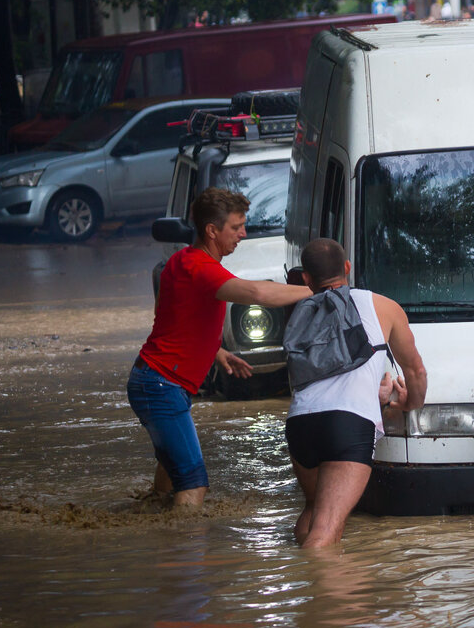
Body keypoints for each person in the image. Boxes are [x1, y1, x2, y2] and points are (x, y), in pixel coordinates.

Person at [127, 188, 313, 508]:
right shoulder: (200, 267)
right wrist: (315, 290)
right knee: (194, 483)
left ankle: (154, 529)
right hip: (161, 385)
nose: (243, 234)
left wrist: (217, 351)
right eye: (236, 227)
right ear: (212, 230)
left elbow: (176, 321)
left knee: (171, 470)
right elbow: (258, 293)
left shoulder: (182, 260)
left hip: (154, 380)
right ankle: (185, 549)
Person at [285, 238, 427, 548]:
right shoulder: (383, 306)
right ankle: (327, 594)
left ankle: (306, 586)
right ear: (347, 267)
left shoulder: (302, 313)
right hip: (347, 424)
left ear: (306, 279)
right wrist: (410, 403)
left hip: (300, 424)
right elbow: (415, 370)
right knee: (325, 532)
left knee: (312, 514)